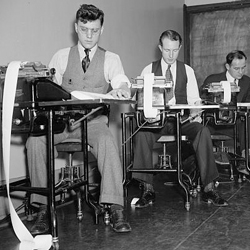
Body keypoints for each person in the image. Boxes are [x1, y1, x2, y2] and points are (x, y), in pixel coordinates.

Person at [26, 4, 131, 234]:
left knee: (108, 142)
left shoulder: (111, 58)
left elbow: (121, 80)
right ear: (76, 28)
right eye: (84, 29)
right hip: (62, 123)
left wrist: (121, 88)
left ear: (101, 29)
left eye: (94, 30)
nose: (89, 35)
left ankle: (115, 206)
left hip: (93, 123)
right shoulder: (61, 56)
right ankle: (44, 208)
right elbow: (48, 89)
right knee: (34, 142)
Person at [132, 29, 228, 209]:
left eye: (175, 50)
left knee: (202, 131)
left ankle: (208, 188)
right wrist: (148, 113)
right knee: (141, 134)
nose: (171, 54)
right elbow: (140, 100)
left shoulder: (187, 70)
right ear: (160, 47)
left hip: (182, 121)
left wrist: (196, 111)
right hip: (158, 122)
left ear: (180, 48)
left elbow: (194, 100)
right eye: (167, 49)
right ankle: (147, 189)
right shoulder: (148, 70)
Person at [201, 50, 250, 175]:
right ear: (227, 66)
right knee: (199, 130)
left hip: (236, 125)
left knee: (246, 121)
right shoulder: (212, 80)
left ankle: (245, 160)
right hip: (213, 124)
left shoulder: (247, 82)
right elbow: (201, 102)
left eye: (243, 68)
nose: (241, 72)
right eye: (236, 68)